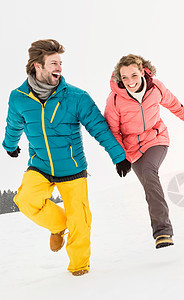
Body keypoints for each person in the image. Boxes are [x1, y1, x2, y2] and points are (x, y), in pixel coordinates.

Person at [2, 39, 128, 276]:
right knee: (26, 200)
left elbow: (98, 128)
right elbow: (13, 124)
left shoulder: (76, 97)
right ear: (37, 66)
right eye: (53, 63)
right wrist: (10, 145)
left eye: (60, 62)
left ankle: (79, 266)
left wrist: (118, 156)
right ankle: (59, 226)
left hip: (72, 167)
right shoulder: (18, 97)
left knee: (79, 218)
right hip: (39, 165)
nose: (59, 67)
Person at [104, 54, 184, 249]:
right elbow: (113, 131)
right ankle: (162, 229)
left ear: (143, 72)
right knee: (148, 184)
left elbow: (172, 102)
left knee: (149, 172)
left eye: (134, 75)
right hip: (131, 149)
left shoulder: (155, 88)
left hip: (156, 138)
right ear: (119, 78)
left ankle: (163, 232)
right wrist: (120, 158)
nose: (130, 81)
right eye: (125, 77)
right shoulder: (114, 100)